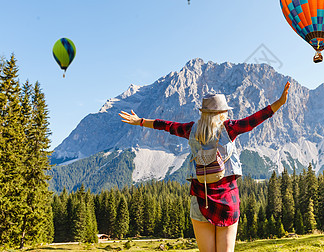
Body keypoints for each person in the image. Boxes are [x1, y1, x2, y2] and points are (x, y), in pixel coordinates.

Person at [119, 81, 290, 252]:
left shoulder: (191, 129)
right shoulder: (229, 128)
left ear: (204, 113)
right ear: (222, 112)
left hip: (201, 198)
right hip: (227, 199)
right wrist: (279, 103)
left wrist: (140, 121)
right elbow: (254, 119)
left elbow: (166, 125)